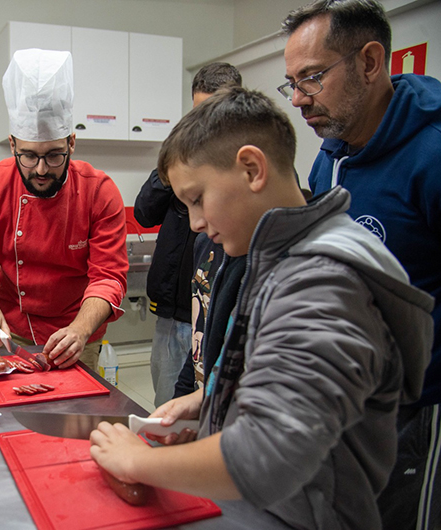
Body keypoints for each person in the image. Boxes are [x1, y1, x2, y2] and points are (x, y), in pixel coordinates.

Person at [89, 87, 434, 530]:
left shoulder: (322, 280)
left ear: (252, 168)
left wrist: (137, 462)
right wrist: (213, 403)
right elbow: (290, 386)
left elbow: (268, 454)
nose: (194, 222)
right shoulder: (277, 252)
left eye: (197, 199)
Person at [280, 1, 441, 528]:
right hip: (349, 401)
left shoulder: (432, 155)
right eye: (293, 84)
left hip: (421, 409)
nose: (300, 100)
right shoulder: (330, 155)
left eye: (313, 79)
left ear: (371, 62)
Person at [0, 48, 128, 370]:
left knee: (74, 417)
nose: (41, 170)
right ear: (13, 144)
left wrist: (80, 330)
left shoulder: (98, 190)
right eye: (29, 156)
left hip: (77, 333)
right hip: (9, 330)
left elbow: (108, 276)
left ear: (72, 143)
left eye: (55, 155)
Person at [135, 62, 242, 406]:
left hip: (216, 313)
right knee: (169, 403)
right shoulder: (182, 158)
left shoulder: (245, 171)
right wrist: (175, 163)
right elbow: (143, 212)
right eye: (199, 114)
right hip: (174, 309)